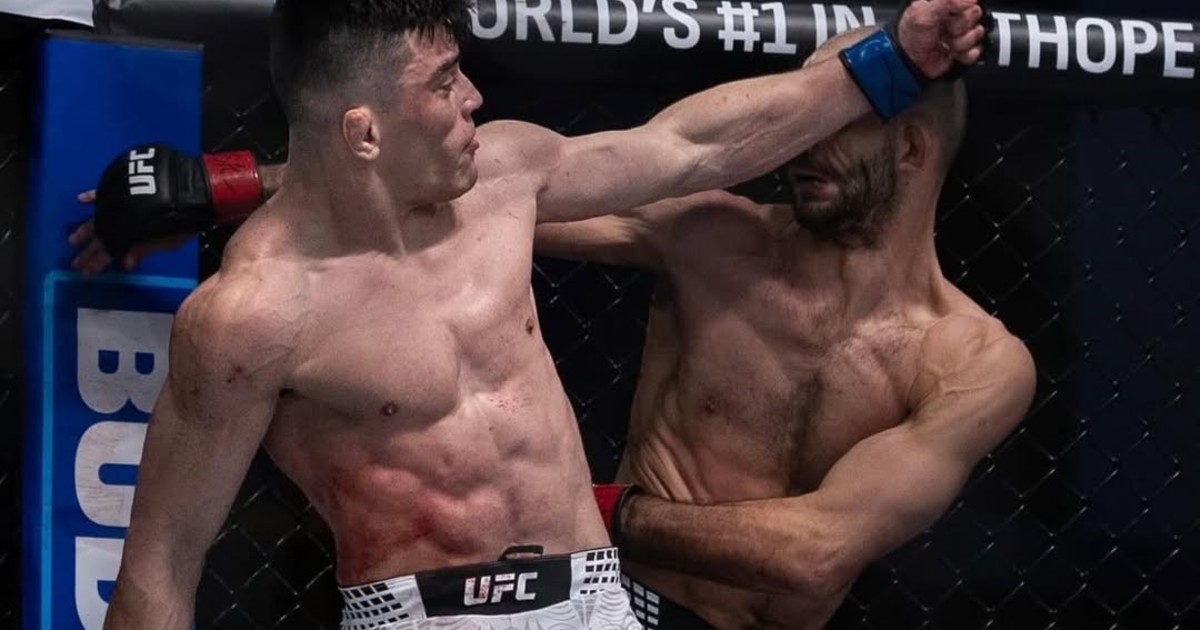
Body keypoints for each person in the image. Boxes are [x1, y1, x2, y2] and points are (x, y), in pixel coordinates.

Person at [72, 1, 988, 628]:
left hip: (601, 600)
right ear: (365, 131)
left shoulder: (503, 179)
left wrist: (894, 59)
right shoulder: (253, 316)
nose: (474, 98)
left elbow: (690, 146)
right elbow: (161, 563)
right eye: (444, 82)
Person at [535, 28, 1037, 630]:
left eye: (837, 117)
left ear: (910, 149)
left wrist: (600, 511)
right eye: (802, 113)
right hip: (622, 606)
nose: (803, 140)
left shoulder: (973, 361)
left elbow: (816, 553)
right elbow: (500, 203)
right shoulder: (709, 237)